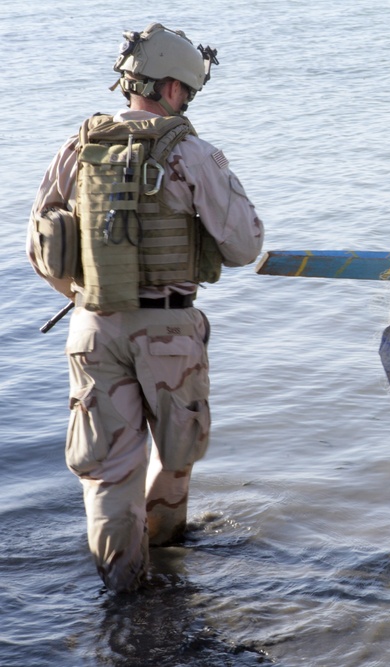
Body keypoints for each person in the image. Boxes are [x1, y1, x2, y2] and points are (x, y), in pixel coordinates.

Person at [26, 23, 264, 593]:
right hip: (169, 329)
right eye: (190, 90)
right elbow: (245, 245)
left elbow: (41, 245)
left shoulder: (78, 147)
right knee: (177, 451)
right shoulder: (192, 152)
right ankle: (169, 556)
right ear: (173, 87)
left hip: (91, 325)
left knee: (108, 474)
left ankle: (123, 599)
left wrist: (86, 298)